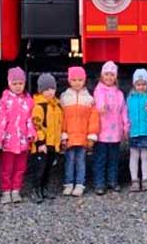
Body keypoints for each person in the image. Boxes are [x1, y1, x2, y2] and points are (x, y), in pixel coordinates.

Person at [0, 67, 36, 204]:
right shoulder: (4, 101)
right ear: (9, 83)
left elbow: (30, 119)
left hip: (22, 142)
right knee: (6, 168)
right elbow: (1, 120)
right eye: (14, 83)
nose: (17, 86)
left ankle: (16, 190)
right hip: (8, 141)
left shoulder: (29, 101)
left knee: (20, 168)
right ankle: (6, 191)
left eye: (20, 83)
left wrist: (31, 133)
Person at [60, 66, 100, 197]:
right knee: (69, 160)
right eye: (74, 80)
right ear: (69, 81)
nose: (77, 82)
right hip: (70, 136)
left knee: (81, 161)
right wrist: (63, 135)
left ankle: (80, 184)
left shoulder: (88, 99)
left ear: (84, 81)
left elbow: (93, 119)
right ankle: (69, 183)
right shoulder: (65, 98)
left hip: (82, 136)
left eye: (80, 80)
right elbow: (62, 119)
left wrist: (91, 135)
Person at [93, 61, 128, 195]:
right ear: (102, 76)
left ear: (116, 77)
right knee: (100, 159)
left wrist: (126, 126)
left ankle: (112, 181)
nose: (109, 77)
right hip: (102, 132)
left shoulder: (119, 93)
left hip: (115, 134)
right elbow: (99, 103)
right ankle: (99, 183)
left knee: (114, 159)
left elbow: (123, 111)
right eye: (106, 74)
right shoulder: (99, 90)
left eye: (112, 75)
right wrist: (101, 106)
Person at [31, 73, 63, 203]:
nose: (50, 92)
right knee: (39, 169)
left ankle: (45, 188)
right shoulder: (39, 106)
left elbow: (59, 125)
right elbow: (37, 125)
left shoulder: (57, 105)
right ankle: (36, 190)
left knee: (48, 169)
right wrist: (40, 143)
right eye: (46, 89)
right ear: (40, 90)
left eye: (52, 89)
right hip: (42, 145)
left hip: (53, 144)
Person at [126, 69, 147, 192]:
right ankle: (134, 180)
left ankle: (145, 179)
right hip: (133, 130)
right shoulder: (130, 97)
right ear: (134, 84)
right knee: (133, 155)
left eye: (143, 84)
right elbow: (126, 112)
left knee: (145, 155)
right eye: (138, 84)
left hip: (146, 130)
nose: (141, 87)